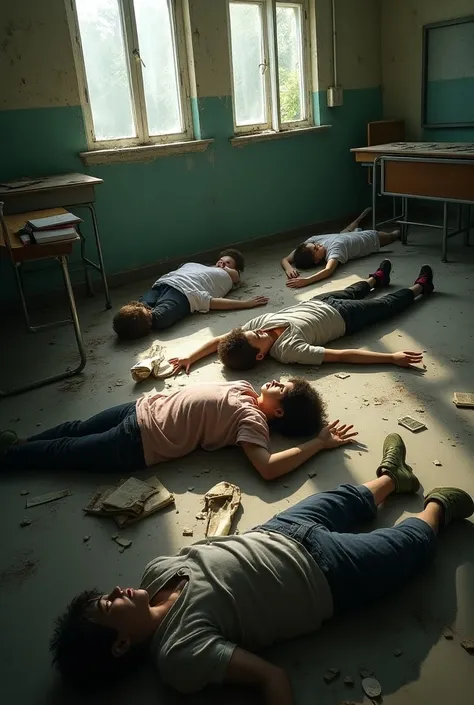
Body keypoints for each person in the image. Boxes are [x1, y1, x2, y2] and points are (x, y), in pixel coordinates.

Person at [49, 434, 473, 702]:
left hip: (280, 530)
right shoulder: (179, 653)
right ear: (120, 645)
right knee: (409, 546)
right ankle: (438, 507)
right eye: (108, 605)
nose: (116, 591)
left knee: (346, 497)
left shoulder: (154, 572)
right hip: (324, 577)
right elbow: (271, 679)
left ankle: (391, 477)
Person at [0, 378, 357, 481]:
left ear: (278, 410)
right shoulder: (247, 388)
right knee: (76, 427)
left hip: (138, 442)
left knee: (65, 451)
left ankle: (11, 457)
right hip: (140, 408)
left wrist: (318, 443)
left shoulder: (253, 422)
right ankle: (25, 442)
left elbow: (266, 467)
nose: (278, 379)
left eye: (284, 387)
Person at [169, 261, 432, 373]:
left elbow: (221, 340)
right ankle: (420, 287)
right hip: (345, 318)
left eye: (252, 331)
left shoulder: (255, 327)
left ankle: (377, 278)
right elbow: (342, 356)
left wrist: (190, 357)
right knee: (386, 306)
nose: (258, 330)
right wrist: (391, 358)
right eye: (257, 338)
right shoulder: (290, 351)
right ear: (261, 355)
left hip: (318, 302)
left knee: (355, 288)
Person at [112, 248, 269, 339]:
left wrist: (246, 303)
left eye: (228, 263)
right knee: (138, 306)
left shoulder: (230, 276)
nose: (223, 263)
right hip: (164, 283)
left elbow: (212, 302)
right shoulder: (198, 266)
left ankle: (135, 325)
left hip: (184, 292)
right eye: (221, 260)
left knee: (160, 318)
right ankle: (131, 321)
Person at [281, 208, 400, 289]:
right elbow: (328, 270)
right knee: (391, 236)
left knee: (346, 231)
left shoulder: (312, 240)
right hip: (370, 239)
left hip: (344, 235)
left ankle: (360, 219)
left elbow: (285, 259)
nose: (318, 245)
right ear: (316, 261)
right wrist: (306, 280)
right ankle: (398, 231)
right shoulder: (334, 251)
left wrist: (288, 267)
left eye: (315, 245)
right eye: (316, 250)